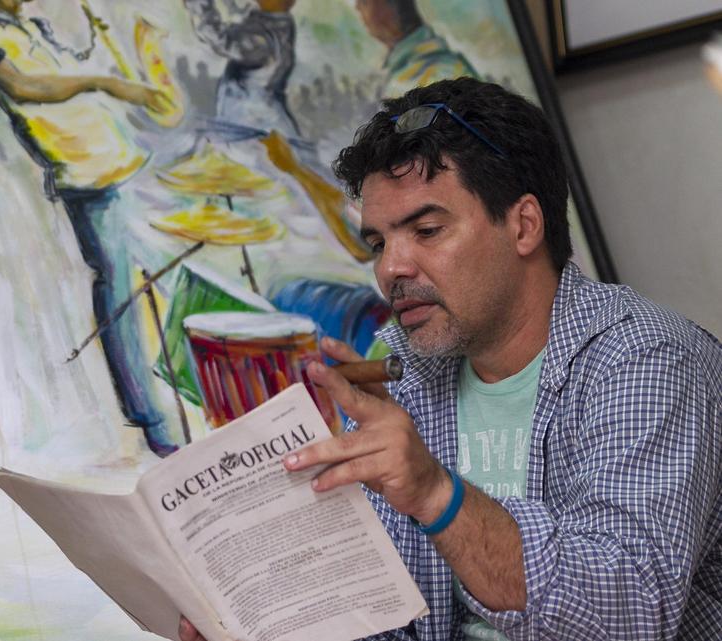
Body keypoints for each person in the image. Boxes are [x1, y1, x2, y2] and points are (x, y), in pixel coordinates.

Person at [181, 77, 722, 640]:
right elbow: (389, 618)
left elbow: (629, 616)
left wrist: (437, 494)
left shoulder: (647, 362)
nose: (391, 268)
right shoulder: (403, 367)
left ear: (524, 225)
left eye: (426, 230)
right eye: (378, 243)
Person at [0, 0, 179, 455]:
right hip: (88, 178)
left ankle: (176, 400)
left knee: (162, 281)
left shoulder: (25, 25)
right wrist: (104, 81)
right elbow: (26, 86)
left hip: (118, 164)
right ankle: (150, 418)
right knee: (120, 295)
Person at [183, 0, 302, 139]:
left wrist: (200, 5)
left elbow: (218, 38)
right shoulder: (278, 22)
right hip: (258, 122)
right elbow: (239, 16)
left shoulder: (262, 39)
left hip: (254, 128)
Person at [354, 0, 477, 98]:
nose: (357, 8)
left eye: (364, 1)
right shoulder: (400, 67)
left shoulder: (441, 72)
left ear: (394, 6)